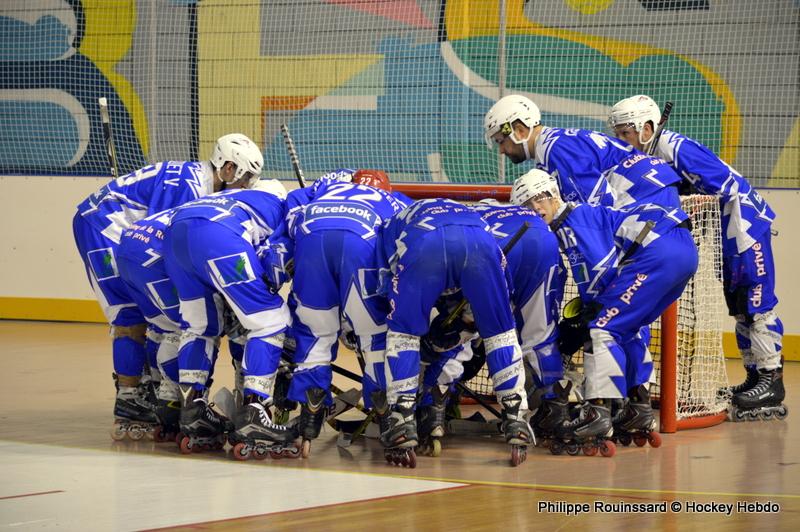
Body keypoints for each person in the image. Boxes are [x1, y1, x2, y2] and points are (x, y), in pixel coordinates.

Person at [72, 133, 265, 439]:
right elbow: (158, 238)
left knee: (154, 316)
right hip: (103, 229)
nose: (249, 185)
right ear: (228, 168)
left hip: (116, 229)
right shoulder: (187, 187)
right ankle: (130, 399)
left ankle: (151, 389)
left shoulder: (198, 181)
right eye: (247, 176)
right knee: (131, 319)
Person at [608, 95, 786, 421]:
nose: (622, 141)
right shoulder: (653, 157)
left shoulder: (674, 148)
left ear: (647, 128)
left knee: (756, 304)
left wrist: (688, 205)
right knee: (740, 308)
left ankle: (771, 380)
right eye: (618, 134)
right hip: (727, 233)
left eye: (626, 133)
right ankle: (754, 377)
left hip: (745, 227)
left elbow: (726, 187)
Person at [511, 169, 698, 456]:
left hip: (658, 250)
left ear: (554, 195)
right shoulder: (582, 218)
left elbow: (601, 273)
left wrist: (586, 319)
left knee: (602, 328)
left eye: (539, 198)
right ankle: (639, 408)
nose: (535, 208)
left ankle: (596, 413)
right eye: (526, 205)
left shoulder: (575, 223)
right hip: (680, 250)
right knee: (628, 327)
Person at [378, 198, 533, 467]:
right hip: (480, 243)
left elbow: (384, 284)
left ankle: (401, 418)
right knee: (500, 334)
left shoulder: (392, 222)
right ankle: (516, 415)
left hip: (425, 245)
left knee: (403, 334)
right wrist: (469, 320)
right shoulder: (473, 216)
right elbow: (504, 297)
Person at [162, 181, 298, 459]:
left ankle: (192, 410)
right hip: (219, 236)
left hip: (176, 234)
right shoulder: (281, 207)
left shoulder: (231, 196)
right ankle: (254, 411)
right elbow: (274, 263)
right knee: (270, 320)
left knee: (199, 326)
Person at [283, 169, 408, 457]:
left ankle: (309, 417)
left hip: (311, 236)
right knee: (374, 336)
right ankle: (385, 415)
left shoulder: (326, 190)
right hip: (358, 242)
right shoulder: (392, 198)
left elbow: (291, 203)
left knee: (314, 335)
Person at [472, 200, 568, 441]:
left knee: (488, 334)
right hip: (544, 243)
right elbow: (561, 278)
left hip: (497, 247)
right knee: (541, 336)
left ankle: (435, 405)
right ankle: (555, 409)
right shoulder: (531, 216)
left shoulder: (471, 214)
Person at [483, 94, 682, 209]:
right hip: (653, 189)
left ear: (519, 130)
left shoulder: (556, 151)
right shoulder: (555, 144)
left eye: (501, 140)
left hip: (648, 196)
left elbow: (598, 208)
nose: (501, 150)